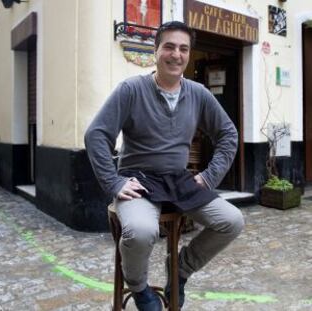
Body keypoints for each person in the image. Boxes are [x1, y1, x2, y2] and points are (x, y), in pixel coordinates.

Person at [84, 21, 244, 311]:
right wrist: (114, 182)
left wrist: (208, 177)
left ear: (188, 54)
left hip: (179, 180)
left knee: (232, 221)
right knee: (142, 232)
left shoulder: (198, 94)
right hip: (138, 180)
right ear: (155, 51)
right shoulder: (131, 89)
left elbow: (228, 134)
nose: (176, 54)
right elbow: (96, 134)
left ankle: (180, 270)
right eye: (169, 46)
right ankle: (140, 287)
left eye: (183, 49)